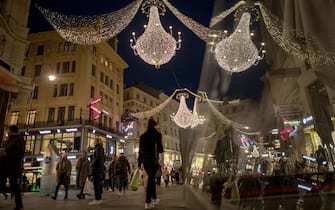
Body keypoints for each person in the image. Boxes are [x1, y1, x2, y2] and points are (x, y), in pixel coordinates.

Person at [138, 118, 164, 209]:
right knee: (151, 180)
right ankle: (147, 201)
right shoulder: (157, 134)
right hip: (153, 160)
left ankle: (154, 198)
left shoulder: (142, 136)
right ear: (154, 125)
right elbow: (160, 149)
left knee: (151, 179)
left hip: (145, 161)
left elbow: (140, 151)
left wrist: (139, 163)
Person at [0, 125, 25, 209]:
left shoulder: (19, 139)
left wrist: (7, 154)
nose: (7, 132)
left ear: (11, 131)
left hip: (13, 166)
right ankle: (19, 205)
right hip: (5, 166)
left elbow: (20, 153)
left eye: (8, 130)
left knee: (14, 186)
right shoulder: (9, 140)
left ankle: (19, 205)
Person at [89, 138, 105, 205]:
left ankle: (97, 199)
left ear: (97, 142)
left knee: (96, 184)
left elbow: (97, 158)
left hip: (97, 169)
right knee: (98, 184)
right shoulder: (101, 148)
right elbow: (102, 159)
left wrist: (92, 163)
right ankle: (99, 199)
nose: (93, 142)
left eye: (94, 141)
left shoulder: (98, 148)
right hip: (99, 169)